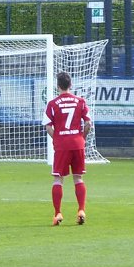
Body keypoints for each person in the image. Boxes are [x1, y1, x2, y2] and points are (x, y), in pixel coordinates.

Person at [43, 71, 92, 226]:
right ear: (70, 85)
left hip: (62, 144)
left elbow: (48, 126)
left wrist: (57, 138)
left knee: (58, 179)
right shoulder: (81, 101)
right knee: (78, 177)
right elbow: (88, 123)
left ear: (58, 86)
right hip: (77, 143)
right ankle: (81, 210)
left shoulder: (52, 104)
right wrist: (81, 138)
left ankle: (57, 214)